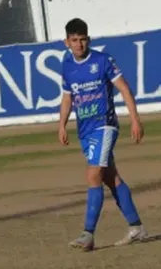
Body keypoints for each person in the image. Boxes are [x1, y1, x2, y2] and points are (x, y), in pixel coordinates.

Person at [58, 18, 149, 251]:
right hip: (85, 130)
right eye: (75, 40)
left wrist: (135, 120)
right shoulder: (67, 66)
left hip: (105, 125)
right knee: (110, 177)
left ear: (89, 40)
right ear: (67, 42)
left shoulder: (102, 61)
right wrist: (62, 124)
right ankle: (136, 227)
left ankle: (87, 233)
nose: (79, 44)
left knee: (93, 175)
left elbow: (124, 88)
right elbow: (68, 97)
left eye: (83, 39)